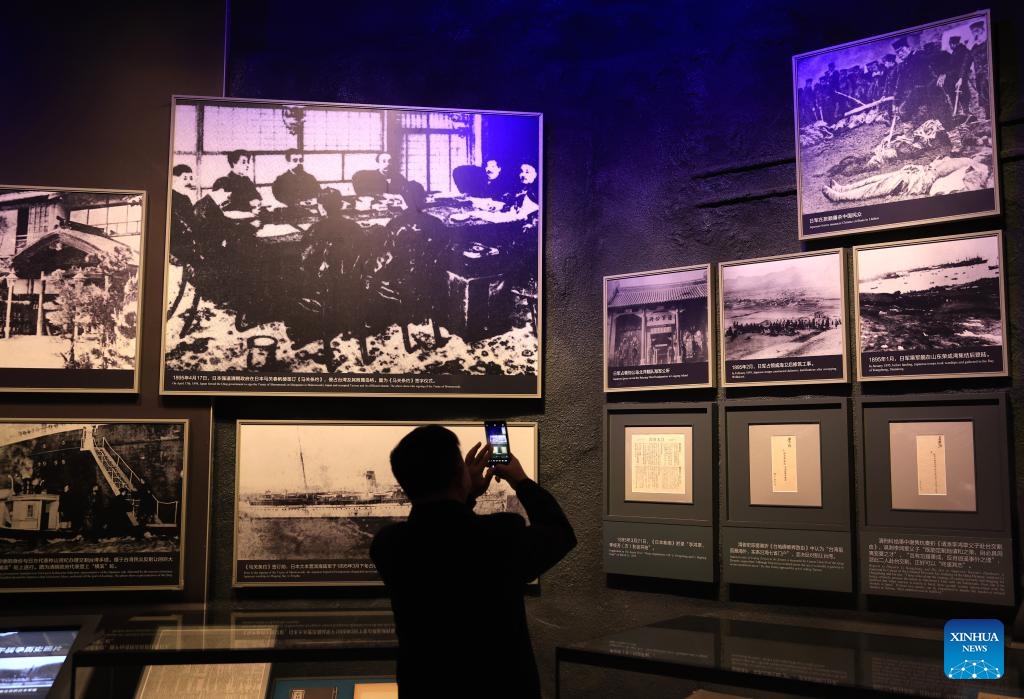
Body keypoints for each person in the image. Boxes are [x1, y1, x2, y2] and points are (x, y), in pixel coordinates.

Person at [370, 425, 576, 698]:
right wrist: (521, 481)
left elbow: (443, 534)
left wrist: (463, 496)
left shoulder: (388, 545)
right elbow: (560, 533)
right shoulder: (500, 536)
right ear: (460, 476)